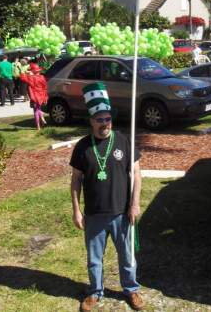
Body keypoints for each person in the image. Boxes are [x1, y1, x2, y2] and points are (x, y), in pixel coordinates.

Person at [70, 82, 144, 312]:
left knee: (127, 256)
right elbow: (75, 180)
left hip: (122, 212)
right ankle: (95, 292)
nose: (105, 124)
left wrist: (135, 204)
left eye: (108, 119)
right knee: (94, 259)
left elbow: (137, 173)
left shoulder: (123, 140)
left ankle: (131, 289)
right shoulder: (83, 147)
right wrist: (76, 209)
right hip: (94, 215)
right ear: (91, 120)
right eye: (100, 120)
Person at [19, 63, 48, 130]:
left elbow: (21, 77)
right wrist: (46, 96)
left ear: (32, 71)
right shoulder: (42, 77)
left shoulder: (30, 78)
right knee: (39, 108)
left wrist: (25, 71)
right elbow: (45, 87)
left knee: (36, 110)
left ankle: (38, 126)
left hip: (34, 96)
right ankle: (42, 120)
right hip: (41, 95)